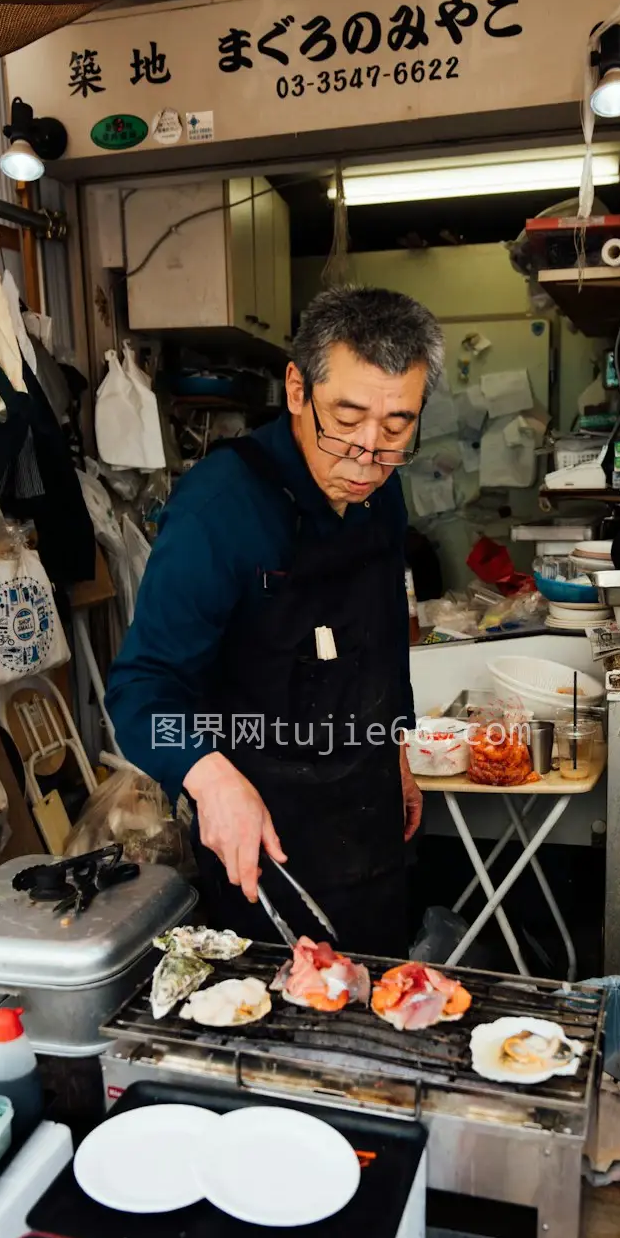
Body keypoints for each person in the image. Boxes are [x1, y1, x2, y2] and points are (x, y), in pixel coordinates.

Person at [106, 285, 444, 956]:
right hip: (265, 838)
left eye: (397, 426)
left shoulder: (382, 485)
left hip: (372, 816)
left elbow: (380, 634)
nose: (367, 454)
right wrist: (207, 777)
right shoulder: (218, 511)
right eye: (346, 418)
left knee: (385, 1004)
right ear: (297, 389)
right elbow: (142, 692)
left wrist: (397, 749)